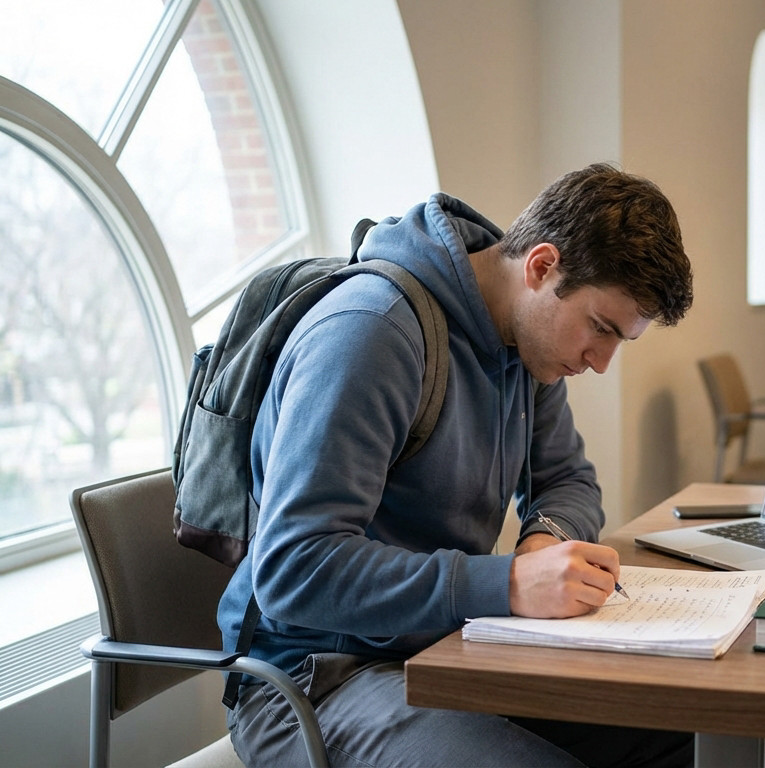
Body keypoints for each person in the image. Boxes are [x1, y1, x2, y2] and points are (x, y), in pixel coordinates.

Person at [218, 163, 695, 767]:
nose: (600, 361)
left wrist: (544, 543)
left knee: (687, 729)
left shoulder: (527, 345)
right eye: (600, 329)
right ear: (542, 267)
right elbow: (294, 569)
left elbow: (568, 480)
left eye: (619, 341)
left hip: (450, 650)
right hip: (315, 681)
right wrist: (509, 585)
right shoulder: (372, 333)